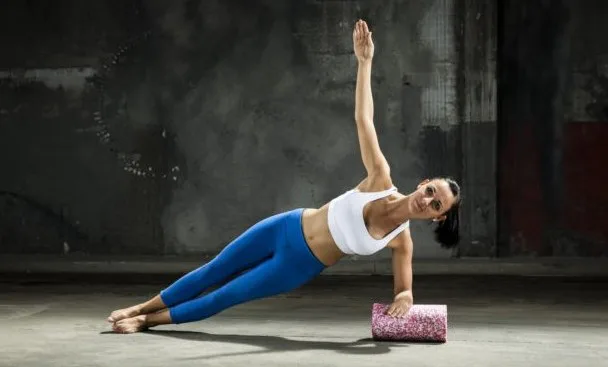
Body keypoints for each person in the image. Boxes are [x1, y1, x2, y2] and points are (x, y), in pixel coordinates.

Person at [107, 19, 461, 334]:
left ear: (438, 217)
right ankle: (140, 308)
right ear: (423, 183)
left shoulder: (402, 240)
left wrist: (405, 297)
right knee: (212, 271)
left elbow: (403, 289)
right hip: (288, 225)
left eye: (436, 205)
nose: (427, 200)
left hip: (297, 264)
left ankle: (147, 321)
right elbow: (363, 120)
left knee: (225, 295)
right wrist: (364, 62)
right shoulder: (380, 180)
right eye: (431, 190)